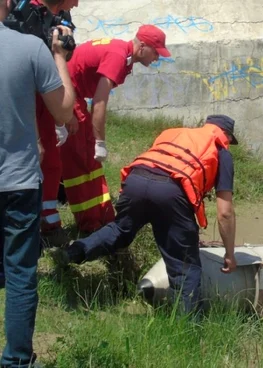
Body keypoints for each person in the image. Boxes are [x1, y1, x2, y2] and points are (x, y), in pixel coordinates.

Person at [49, 115, 238, 316]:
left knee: (119, 230)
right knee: (184, 266)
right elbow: (225, 212)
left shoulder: (177, 133)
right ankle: (190, 328)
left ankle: (72, 253)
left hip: (136, 180)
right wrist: (229, 253)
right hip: (171, 191)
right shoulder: (221, 152)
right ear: (225, 135)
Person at [1, 0, 76, 364]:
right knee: (19, 273)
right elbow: (63, 110)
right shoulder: (29, 47)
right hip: (17, 181)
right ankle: (16, 360)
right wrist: (59, 55)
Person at [43, 24, 170, 237]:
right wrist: (99, 141)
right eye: (156, 52)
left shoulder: (123, 54)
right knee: (80, 162)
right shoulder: (118, 56)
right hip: (69, 94)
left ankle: (100, 217)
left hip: (72, 93)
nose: (157, 58)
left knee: (87, 163)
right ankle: (90, 224)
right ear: (142, 46)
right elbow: (100, 102)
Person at [25, 0, 81, 247]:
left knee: (51, 158)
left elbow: (65, 59)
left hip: (46, 89)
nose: (78, 4)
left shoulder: (59, 15)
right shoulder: (23, 11)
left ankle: (47, 218)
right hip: (22, 90)